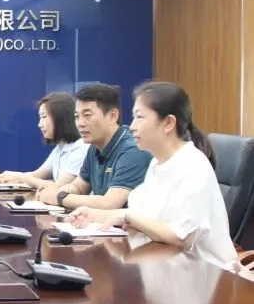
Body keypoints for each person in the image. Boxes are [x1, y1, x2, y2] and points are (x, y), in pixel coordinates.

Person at [67, 81, 239, 271]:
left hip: (206, 276)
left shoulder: (192, 164)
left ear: (168, 123)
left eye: (140, 117)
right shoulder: (157, 163)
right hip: (167, 269)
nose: (132, 127)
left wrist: (128, 217)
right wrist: (92, 215)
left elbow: (180, 237)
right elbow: (141, 216)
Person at [38, 84, 149, 210]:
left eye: (87, 115)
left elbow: (110, 203)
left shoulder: (132, 150)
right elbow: (78, 187)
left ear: (113, 116)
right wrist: (59, 191)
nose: (80, 123)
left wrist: (59, 198)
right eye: (77, 116)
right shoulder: (94, 147)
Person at [0, 92, 87, 189]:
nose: (39, 124)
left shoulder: (79, 148)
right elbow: (36, 175)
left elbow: (60, 187)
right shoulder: (60, 147)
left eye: (44, 117)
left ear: (60, 118)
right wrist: (3, 177)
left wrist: (21, 177)